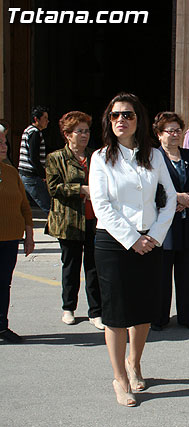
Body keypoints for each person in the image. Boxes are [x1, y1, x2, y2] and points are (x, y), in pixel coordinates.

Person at [89, 93, 177, 407]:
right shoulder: (101, 157)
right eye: (115, 116)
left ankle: (134, 361)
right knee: (115, 315)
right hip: (114, 243)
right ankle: (119, 378)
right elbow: (102, 205)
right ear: (108, 121)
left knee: (143, 310)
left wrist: (153, 235)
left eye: (127, 115)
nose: (121, 120)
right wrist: (132, 238)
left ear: (138, 120)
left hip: (150, 241)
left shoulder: (153, 156)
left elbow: (169, 197)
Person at [45, 111, 103, 329]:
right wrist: (80, 189)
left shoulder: (95, 156)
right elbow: (53, 188)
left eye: (87, 131)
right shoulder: (56, 158)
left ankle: (96, 312)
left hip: (93, 220)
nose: (84, 135)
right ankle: (68, 307)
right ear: (67, 134)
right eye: (79, 131)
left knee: (93, 268)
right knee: (70, 267)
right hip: (69, 221)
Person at [152, 112, 189, 331]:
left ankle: (187, 316)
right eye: (169, 131)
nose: (174, 135)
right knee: (161, 273)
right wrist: (174, 199)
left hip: (187, 220)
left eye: (177, 130)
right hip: (164, 224)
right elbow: (151, 189)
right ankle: (159, 317)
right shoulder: (153, 158)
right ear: (159, 134)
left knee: (186, 272)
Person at [0, 132, 34, 343]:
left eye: (4, 142)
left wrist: (29, 236)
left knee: (4, 283)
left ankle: (2, 326)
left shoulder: (11, 172)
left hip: (10, 239)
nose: (4, 146)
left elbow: (24, 206)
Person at [18, 106, 51, 214]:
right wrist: (42, 175)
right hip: (31, 175)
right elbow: (34, 157)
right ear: (37, 119)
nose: (47, 121)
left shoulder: (28, 130)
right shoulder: (35, 132)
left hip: (24, 174)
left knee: (25, 207)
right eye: (45, 118)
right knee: (48, 206)